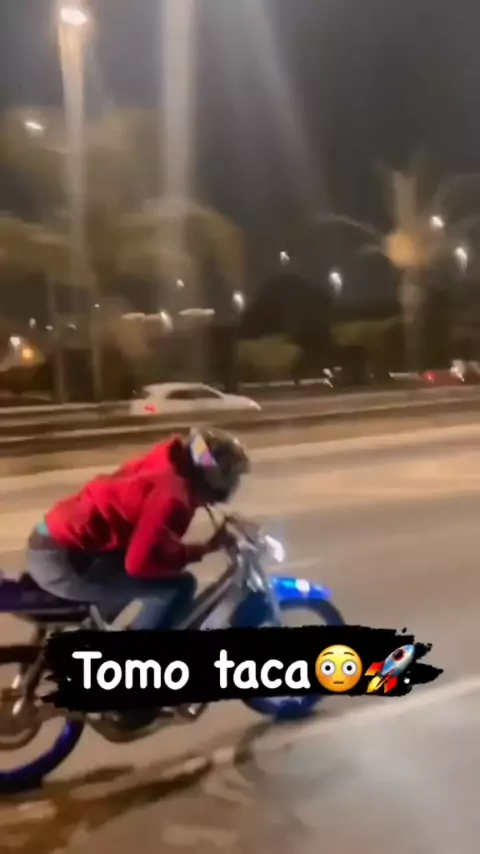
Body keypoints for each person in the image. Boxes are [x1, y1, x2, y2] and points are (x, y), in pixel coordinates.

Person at [25, 427, 251, 632]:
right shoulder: (173, 496)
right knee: (178, 588)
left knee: (157, 577)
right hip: (64, 562)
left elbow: (154, 541)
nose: (231, 484)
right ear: (213, 476)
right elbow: (139, 564)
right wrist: (203, 549)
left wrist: (192, 551)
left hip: (60, 543)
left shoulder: (170, 462)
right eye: (229, 475)